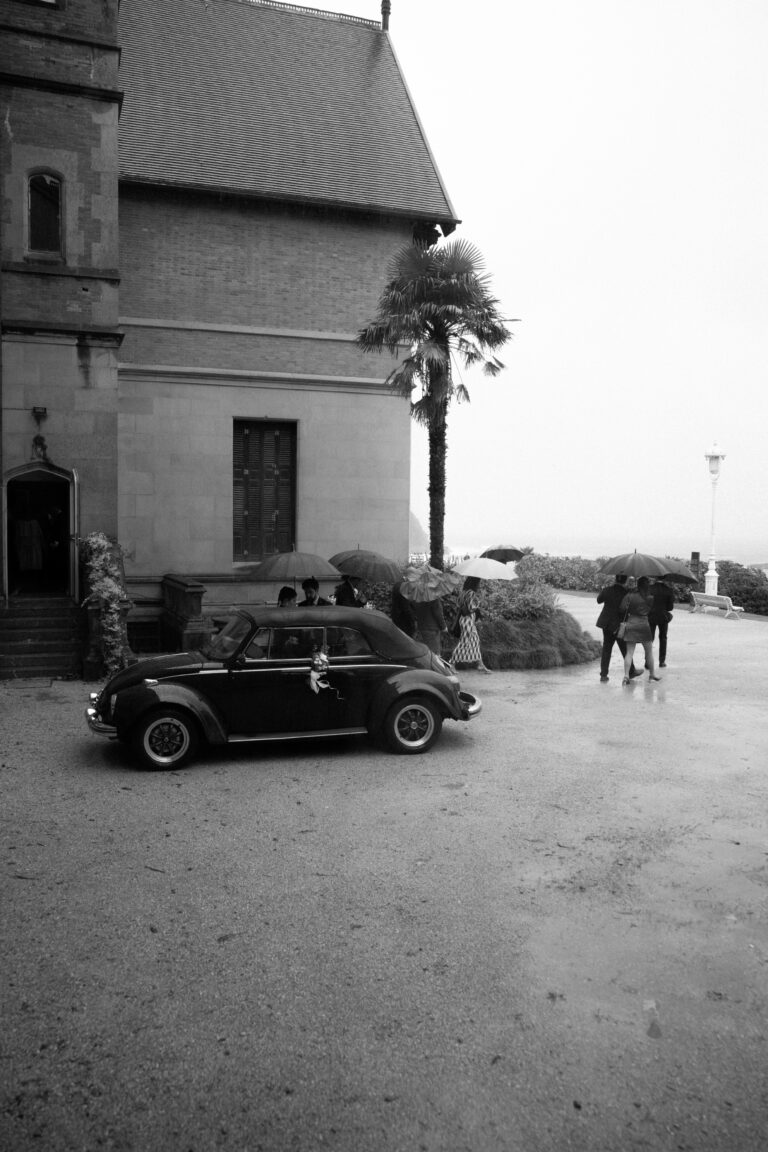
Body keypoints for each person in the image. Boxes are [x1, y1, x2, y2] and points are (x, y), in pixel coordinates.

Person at [596, 574, 642, 683]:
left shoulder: (607, 590)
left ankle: (603, 675)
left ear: (615, 579)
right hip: (619, 625)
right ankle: (631, 671)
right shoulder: (627, 593)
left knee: (607, 648)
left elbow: (599, 600)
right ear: (625, 580)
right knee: (625, 648)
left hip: (606, 623)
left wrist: (605, 591)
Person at [619, 576, 661, 685]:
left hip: (631, 623)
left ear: (638, 584)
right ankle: (652, 675)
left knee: (629, 652)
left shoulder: (630, 595)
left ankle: (626, 676)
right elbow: (650, 610)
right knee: (649, 652)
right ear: (647, 585)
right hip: (644, 625)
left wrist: (630, 602)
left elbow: (622, 608)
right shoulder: (650, 598)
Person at [450, 576, 491, 674]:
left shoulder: (463, 592)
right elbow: (471, 608)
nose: (479, 585)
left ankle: (480, 664)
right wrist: (478, 603)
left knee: (475, 641)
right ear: (474, 584)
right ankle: (451, 664)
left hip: (465, 621)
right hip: (468, 621)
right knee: (464, 643)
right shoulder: (471, 593)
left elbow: (460, 606)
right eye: (478, 583)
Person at [648, 575, 675, 668]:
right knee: (663, 638)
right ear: (664, 579)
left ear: (655, 578)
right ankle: (662, 661)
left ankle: (648, 661)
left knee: (649, 639)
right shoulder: (668, 590)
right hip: (663, 617)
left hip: (651, 616)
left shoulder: (649, 589)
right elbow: (670, 608)